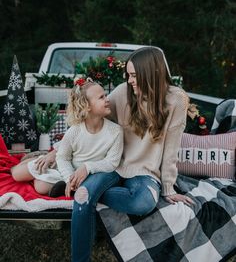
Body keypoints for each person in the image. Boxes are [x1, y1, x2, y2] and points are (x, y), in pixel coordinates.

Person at [34, 47, 194, 262]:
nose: (130, 81)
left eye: (135, 76)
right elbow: (89, 116)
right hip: (110, 165)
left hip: (144, 173)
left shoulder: (176, 100)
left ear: (152, 73)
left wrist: (167, 187)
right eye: (128, 75)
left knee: (142, 203)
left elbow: (171, 148)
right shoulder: (122, 92)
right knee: (83, 199)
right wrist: (56, 152)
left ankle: (81, 189)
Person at [11, 78, 123, 199]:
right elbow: (63, 158)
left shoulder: (115, 131)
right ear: (87, 106)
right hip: (65, 167)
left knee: (41, 187)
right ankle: (37, 158)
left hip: (84, 173)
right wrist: (69, 178)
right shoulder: (75, 131)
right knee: (17, 174)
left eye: (105, 95)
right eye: (102, 97)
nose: (108, 99)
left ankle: (47, 174)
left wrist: (87, 167)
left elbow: (112, 162)